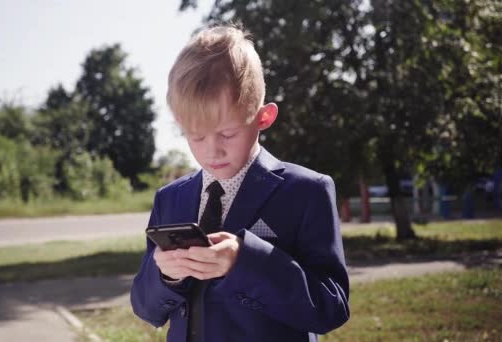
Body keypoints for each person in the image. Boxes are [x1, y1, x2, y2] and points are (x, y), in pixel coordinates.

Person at [131, 24, 349, 342]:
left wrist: (244, 260)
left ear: (263, 118)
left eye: (228, 133)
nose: (212, 150)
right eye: (197, 136)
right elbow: (144, 306)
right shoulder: (170, 198)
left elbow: (331, 306)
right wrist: (166, 275)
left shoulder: (306, 191)